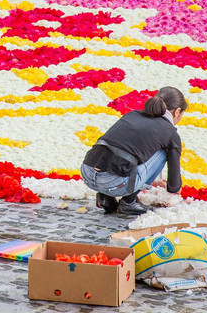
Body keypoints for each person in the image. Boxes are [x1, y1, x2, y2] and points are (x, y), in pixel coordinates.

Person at [80, 87, 187, 216]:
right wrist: (175, 187)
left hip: (87, 173)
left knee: (116, 149)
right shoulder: (169, 132)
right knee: (163, 152)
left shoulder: (133, 115)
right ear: (177, 112)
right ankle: (129, 202)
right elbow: (173, 185)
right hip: (115, 183)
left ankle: (105, 198)